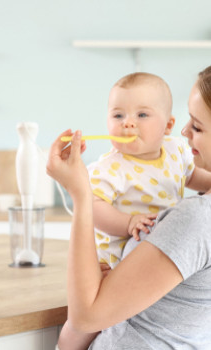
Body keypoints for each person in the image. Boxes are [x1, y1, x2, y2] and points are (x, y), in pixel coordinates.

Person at [47, 65, 211, 350]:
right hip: (115, 254)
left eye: (197, 126)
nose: (185, 131)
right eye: (118, 115)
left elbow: (86, 317)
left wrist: (79, 193)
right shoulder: (110, 168)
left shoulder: (196, 216)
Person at [88, 72, 210, 269]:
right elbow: (92, 207)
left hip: (162, 248)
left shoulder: (175, 150)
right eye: (118, 115)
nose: (127, 122)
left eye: (142, 115)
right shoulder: (109, 168)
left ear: (168, 125)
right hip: (117, 259)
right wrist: (128, 223)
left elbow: (192, 176)